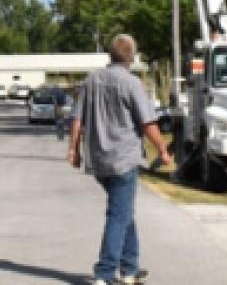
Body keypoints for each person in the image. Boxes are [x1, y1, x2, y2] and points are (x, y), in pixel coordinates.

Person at [67, 34, 172, 285]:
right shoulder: (132, 83)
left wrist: (74, 150)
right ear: (132, 57)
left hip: (99, 159)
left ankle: (130, 270)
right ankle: (104, 273)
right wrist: (163, 149)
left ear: (110, 54)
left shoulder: (92, 80)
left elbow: (77, 119)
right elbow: (147, 123)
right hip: (123, 158)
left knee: (123, 212)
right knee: (118, 214)